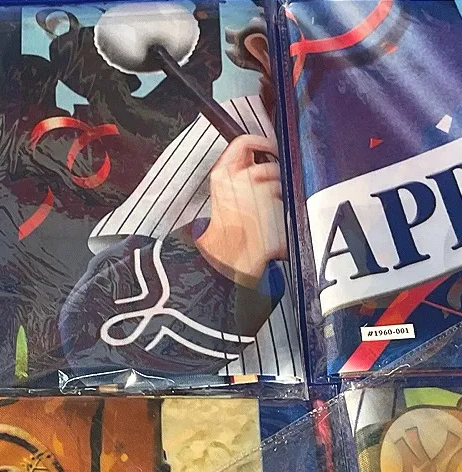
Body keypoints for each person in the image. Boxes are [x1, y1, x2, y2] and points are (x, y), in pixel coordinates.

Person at [59, 13, 304, 381]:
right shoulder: (229, 142)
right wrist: (225, 254)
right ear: (264, 52)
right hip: (252, 403)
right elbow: (91, 339)